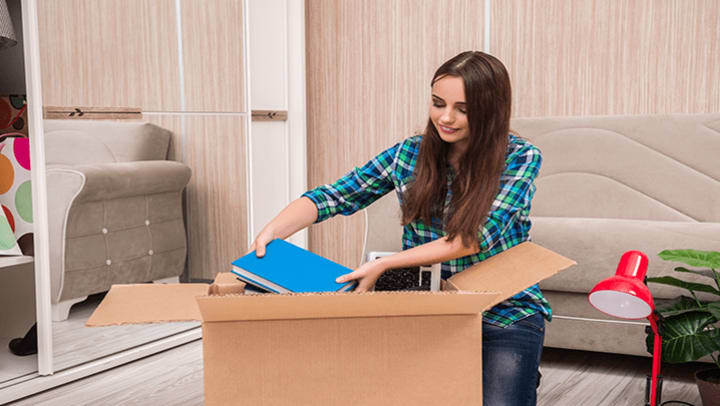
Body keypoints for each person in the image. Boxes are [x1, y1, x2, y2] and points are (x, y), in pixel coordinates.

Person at [248, 51, 546, 406]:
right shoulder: (409, 154)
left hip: (503, 309)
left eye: (463, 109)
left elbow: (472, 238)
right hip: (425, 306)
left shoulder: (521, 156)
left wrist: (387, 263)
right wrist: (273, 229)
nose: (445, 117)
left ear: (491, 110)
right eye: (438, 103)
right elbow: (336, 195)